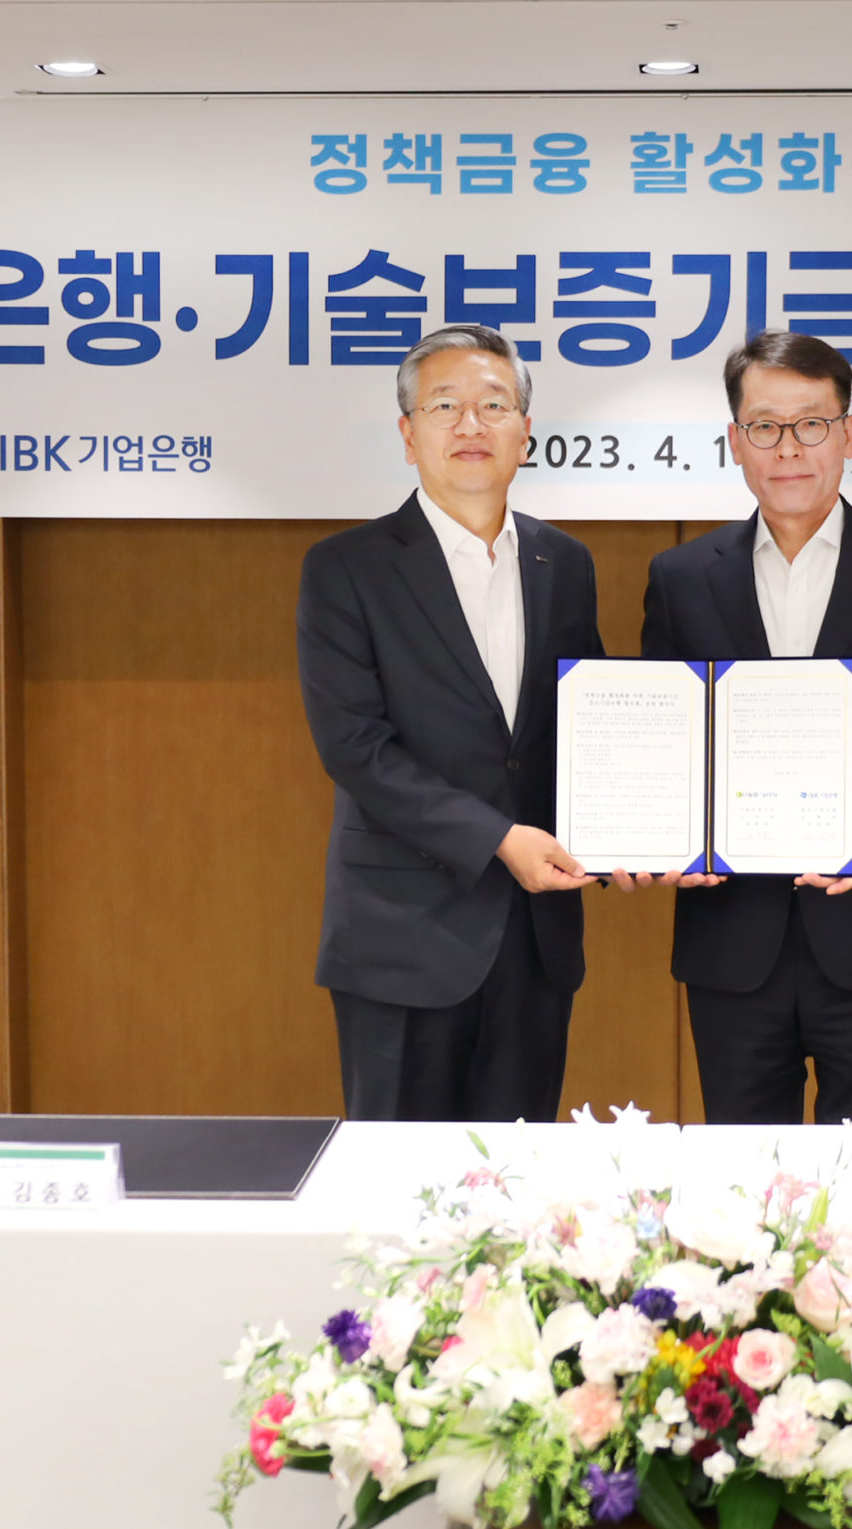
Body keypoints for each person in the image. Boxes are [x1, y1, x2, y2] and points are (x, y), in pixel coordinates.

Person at [627, 330, 852, 1126]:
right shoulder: (682, 576)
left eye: (811, 423)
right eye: (764, 426)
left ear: (849, 434)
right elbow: (663, 738)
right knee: (741, 1174)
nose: (788, 447)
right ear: (735, 441)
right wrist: (664, 833)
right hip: (731, 937)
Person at [296, 324, 602, 1122]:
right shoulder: (346, 568)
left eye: (494, 405)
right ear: (408, 434)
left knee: (518, 1176)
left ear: (525, 431)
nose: (471, 424)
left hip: (535, 940)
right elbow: (355, 747)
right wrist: (499, 839)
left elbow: (588, 729)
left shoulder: (565, 564)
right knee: (400, 1183)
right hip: (402, 939)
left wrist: (627, 838)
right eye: (444, 406)